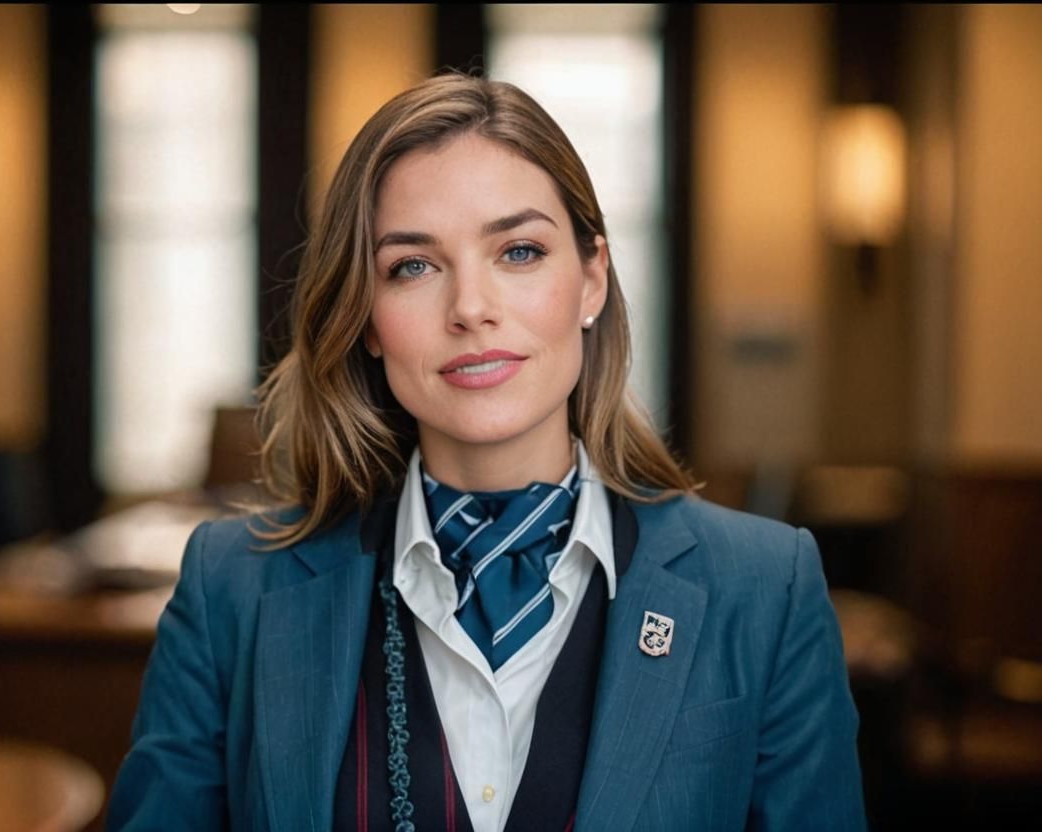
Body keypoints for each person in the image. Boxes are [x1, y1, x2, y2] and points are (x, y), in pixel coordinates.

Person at [108, 73, 866, 831]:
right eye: (413, 266)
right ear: (367, 320)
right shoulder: (229, 590)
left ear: (592, 279)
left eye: (520, 251)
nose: (471, 307)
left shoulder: (766, 588)